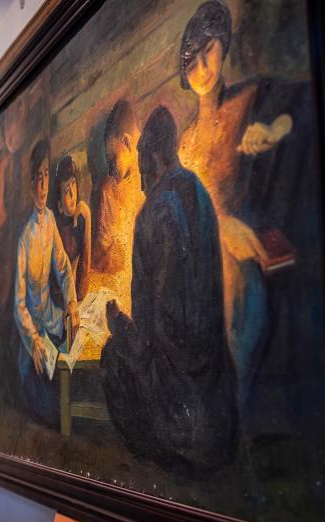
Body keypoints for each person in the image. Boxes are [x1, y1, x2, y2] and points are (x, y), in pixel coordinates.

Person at [177, 0, 320, 406]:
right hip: (205, 265)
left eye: (208, 52)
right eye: (192, 62)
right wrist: (220, 227)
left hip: (246, 261)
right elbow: (186, 218)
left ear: (223, 45)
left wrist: (272, 129)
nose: (202, 68)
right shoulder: (184, 145)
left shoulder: (249, 99)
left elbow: (302, 105)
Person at [100, 106, 237, 475]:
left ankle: (162, 458)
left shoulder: (152, 215)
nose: (140, 178)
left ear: (154, 156)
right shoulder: (199, 193)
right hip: (217, 423)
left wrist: (117, 323)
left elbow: (147, 342)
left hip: (180, 421)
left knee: (112, 356)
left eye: (142, 161)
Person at [14, 140, 79, 428]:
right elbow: (18, 305)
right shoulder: (24, 238)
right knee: (52, 410)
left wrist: (71, 301)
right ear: (30, 186)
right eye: (37, 179)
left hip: (52, 322)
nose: (42, 185)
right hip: (33, 339)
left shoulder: (50, 220)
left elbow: (63, 268)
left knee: (76, 378)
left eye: (45, 176)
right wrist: (34, 341)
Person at [92, 99, 146, 314]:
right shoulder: (108, 189)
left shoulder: (151, 173)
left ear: (127, 142)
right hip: (119, 280)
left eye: (113, 159)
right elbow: (101, 250)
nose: (111, 169)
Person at [53, 155, 91, 303]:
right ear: (59, 206)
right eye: (66, 190)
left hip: (76, 297)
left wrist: (87, 219)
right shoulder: (55, 227)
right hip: (60, 299)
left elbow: (82, 287)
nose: (72, 194)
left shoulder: (81, 217)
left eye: (74, 184)